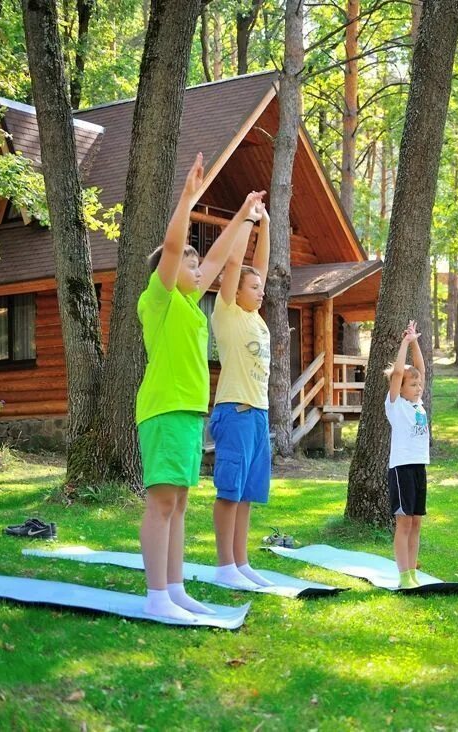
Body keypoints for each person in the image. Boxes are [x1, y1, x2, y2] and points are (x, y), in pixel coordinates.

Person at [135, 151, 266, 621]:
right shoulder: (161, 298)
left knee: (181, 502)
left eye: (195, 267)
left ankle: (173, 588)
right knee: (163, 500)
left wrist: (244, 217)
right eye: (187, 267)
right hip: (165, 408)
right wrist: (188, 199)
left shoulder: (191, 306)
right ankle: (156, 597)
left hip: (188, 410)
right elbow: (174, 252)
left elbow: (215, 257)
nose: (196, 270)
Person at [209, 200, 273, 590]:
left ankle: (241, 562)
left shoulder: (254, 315)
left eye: (261, 288)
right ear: (237, 291)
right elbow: (236, 267)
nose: (260, 290)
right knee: (230, 491)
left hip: (259, 414)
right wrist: (247, 219)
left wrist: (265, 225)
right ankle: (223, 566)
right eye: (254, 287)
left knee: (247, 494)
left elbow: (258, 268)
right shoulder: (228, 311)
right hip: (234, 410)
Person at [384, 320, 429, 589]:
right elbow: (400, 372)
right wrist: (403, 343)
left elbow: (420, 370)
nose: (418, 386)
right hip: (401, 469)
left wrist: (415, 342)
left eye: (419, 385)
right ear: (400, 388)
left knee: (416, 523)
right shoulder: (395, 405)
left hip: (418, 468)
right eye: (413, 384)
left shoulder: (418, 405)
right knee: (403, 523)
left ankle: (412, 572)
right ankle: (403, 576)